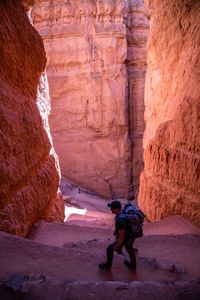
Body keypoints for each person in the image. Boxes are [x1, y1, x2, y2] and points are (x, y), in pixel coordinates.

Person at [98, 200, 136, 271]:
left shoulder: (120, 220)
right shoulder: (123, 213)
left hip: (126, 237)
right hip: (131, 235)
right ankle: (133, 265)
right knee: (130, 249)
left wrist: (117, 246)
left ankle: (108, 265)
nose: (110, 209)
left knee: (109, 249)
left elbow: (121, 237)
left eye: (112, 208)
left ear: (116, 209)